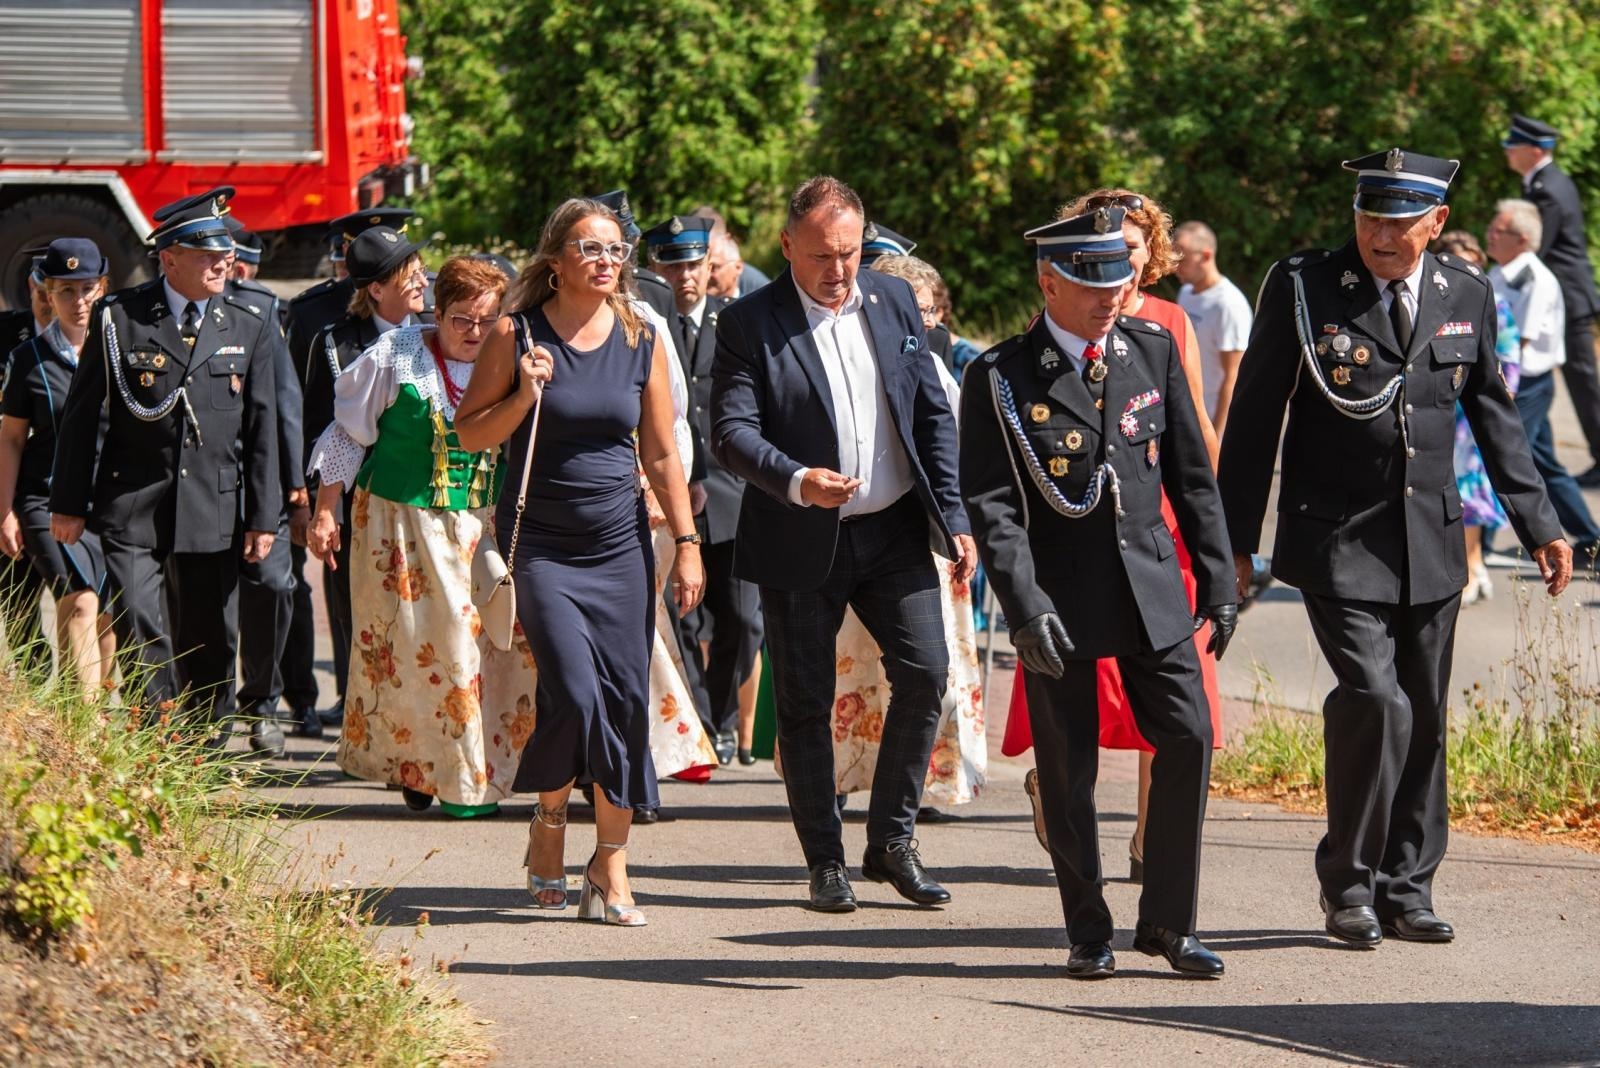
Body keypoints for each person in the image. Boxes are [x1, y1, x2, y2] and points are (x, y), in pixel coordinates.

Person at [1219, 148, 1571, 949]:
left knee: (1426, 718)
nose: (1380, 234)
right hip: (1336, 538)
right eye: (1369, 216)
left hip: (1432, 541)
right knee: (1377, 702)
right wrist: (1235, 544)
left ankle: (1407, 885)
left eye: (1400, 221)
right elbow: (1253, 422)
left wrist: (1541, 523)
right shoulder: (1305, 288)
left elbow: (1495, 416)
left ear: (1436, 223)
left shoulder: (1465, 293)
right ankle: (1347, 880)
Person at [962, 205, 1236, 979]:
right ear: (1049, 282)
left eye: (1120, 275)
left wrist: (1218, 578)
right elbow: (993, 506)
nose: (1111, 292)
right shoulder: (1001, 376)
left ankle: (1169, 925)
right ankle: (1089, 928)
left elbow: (1191, 479)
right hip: (1061, 600)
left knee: (1188, 737)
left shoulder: (1150, 348)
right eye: (1091, 281)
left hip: (1154, 591)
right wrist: (1024, 605)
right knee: (1070, 771)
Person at [711, 175, 976, 913]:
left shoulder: (892, 303)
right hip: (800, 536)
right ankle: (824, 860)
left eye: (850, 253)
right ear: (788, 244)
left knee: (927, 674)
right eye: (822, 254)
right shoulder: (748, 324)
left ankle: (891, 841)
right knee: (804, 703)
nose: (837, 271)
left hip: (893, 530)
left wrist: (953, 516)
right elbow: (731, 433)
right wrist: (796, 479)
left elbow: (930, 413)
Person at [454, 196, 704, 927]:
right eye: (590, 249)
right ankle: (551, 823)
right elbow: (471, 436)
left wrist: (686, 545)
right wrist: (525, 396)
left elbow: (660, 451)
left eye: (615, 250)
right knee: (572, 687)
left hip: (622, 547)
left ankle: (611, 863)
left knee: (623, 702)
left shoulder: (641, 335)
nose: (607, 261)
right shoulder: (516, 334)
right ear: (555, 261)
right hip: (544, 549)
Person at [1004, 187, 1225, 883]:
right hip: (1075, 546)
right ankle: (1061, 794)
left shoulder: (1166, 330)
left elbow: (1195, 444)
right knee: (1088, 702)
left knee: (1180, 712)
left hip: (1160, 540)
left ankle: (1150, 846)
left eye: (1130, 251)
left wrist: (1220, 540)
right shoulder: (1053, 330)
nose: (1117, 269)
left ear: (1149, 255)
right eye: (1104, 253)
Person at [50, 186, 282, 749]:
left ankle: (203, 743)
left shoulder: (252, 319)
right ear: (170, 258)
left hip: (214, 503)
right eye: (207, 254)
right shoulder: (119, 318)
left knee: (209, 635)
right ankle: (158, 733)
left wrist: (265, 516)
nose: (222, 262)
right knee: (137, 620)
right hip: (133, 503)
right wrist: (68, 504)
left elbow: (264, 426)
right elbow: (81, 418)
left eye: (225, 253)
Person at [305, 254, 536, 817]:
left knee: (483, 646)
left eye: (486, 321)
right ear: (436, 312)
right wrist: (324, 513)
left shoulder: (509, 361)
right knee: (416, 650)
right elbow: (347, 436)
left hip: (479, 524)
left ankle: (461, 770)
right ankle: (427, 771)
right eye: (461, 320)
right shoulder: (395, 356)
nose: (474, 333)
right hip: (399, 523)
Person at [822, 252, 986, 814]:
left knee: (925, 670)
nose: (923, 321)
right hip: (852, 535)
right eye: (909, 308)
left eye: (928, 309)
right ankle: (839, 778)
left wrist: (960, 526)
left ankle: (914, 793)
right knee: (851, 671)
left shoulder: (937, 369)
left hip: (924, 540)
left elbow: (955, 452)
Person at [287, 205, 417, 729]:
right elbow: (313, 418)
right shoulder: (335, 340)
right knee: (358, 616)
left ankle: (411, 725)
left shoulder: (436, 334)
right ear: (377, 286)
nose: (421, 279)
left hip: (420, 501)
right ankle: (367, 724)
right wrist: (311, 501)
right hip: (353, 503)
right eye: (408, 272)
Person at [643, 213, 759, 765]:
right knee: (682, 617)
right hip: (673, 494)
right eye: (672, 265)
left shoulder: (732, 322)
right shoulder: (646, 324)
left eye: (693, 264)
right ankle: (703, 724)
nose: (684, 276)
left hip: (732, 494)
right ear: (655, 268)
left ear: (709, 267)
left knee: (741, 618)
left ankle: (723, 715)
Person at [0, 238, 116, 694]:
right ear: (46, 294)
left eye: (87, 288)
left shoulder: (121, 351)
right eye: (65, 290)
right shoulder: (28, 360)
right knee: (80, 599)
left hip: (107, 500)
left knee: (107, 612)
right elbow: (10, 439)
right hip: (43, 499)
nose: (78, 300)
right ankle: (83, 730)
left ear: (103, 288)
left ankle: (86, 717)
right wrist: (4, 510)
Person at [224, 215, 307, 752]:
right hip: (204, 484)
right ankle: (204, 706)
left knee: (275, 588)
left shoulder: (259, 311)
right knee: (209, 603)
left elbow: (285, 405)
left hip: (265, 485)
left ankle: (261, 702)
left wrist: (296, 485)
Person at [1484, 198, 1600, 560]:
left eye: (1498, 230)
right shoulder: (1500, 272)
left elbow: (1520, 339)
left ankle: (1480, 544)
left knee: (1500, 453)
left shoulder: (1535, 278)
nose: (1489, 234)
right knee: (1544, 463)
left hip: (1526, 383)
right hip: (1515, 380)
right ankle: (1591, 537)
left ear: (1521, 238)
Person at [1501, 115, 1600, 485]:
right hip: (1560, 297)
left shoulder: (1547, 188)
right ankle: (1544, 462)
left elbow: (1534, 246)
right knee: (1565, 382)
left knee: (1583, 385)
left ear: (1536, 150)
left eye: (1514, 145)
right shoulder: (1545, 182)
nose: (1508, 152)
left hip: (1567, 300)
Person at [1434, 230, 1521, 604]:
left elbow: (1509, 354)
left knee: (1466, 486)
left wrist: (1500, 395)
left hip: (1471, 411)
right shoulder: (1428, 299)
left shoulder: (1494, 301)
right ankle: (1473, 563)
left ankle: (1470, 567)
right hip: (1436, 407)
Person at [0, 250, 54, 666]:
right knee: (16, 604)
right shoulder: (6, 335)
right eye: (45, 292)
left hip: (61, 485)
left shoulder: (100, 336)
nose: (53, 302)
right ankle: (36, 681)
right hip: (9, 483)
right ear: (32, 288)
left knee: (89, 602)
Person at [1174, 221, 1254, 435]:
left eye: (1183, 258)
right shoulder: (1186, 294)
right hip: (1187, 414)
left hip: (1213, 421)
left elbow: (1234, 376)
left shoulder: (1228, 304)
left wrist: (1217, 437)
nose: (1175, 265)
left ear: (1206, 256)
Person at [691, 205, 771, 296]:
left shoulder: (759, 289)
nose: (705, 275)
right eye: (693, 265)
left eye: (713, 267)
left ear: (726, 240)